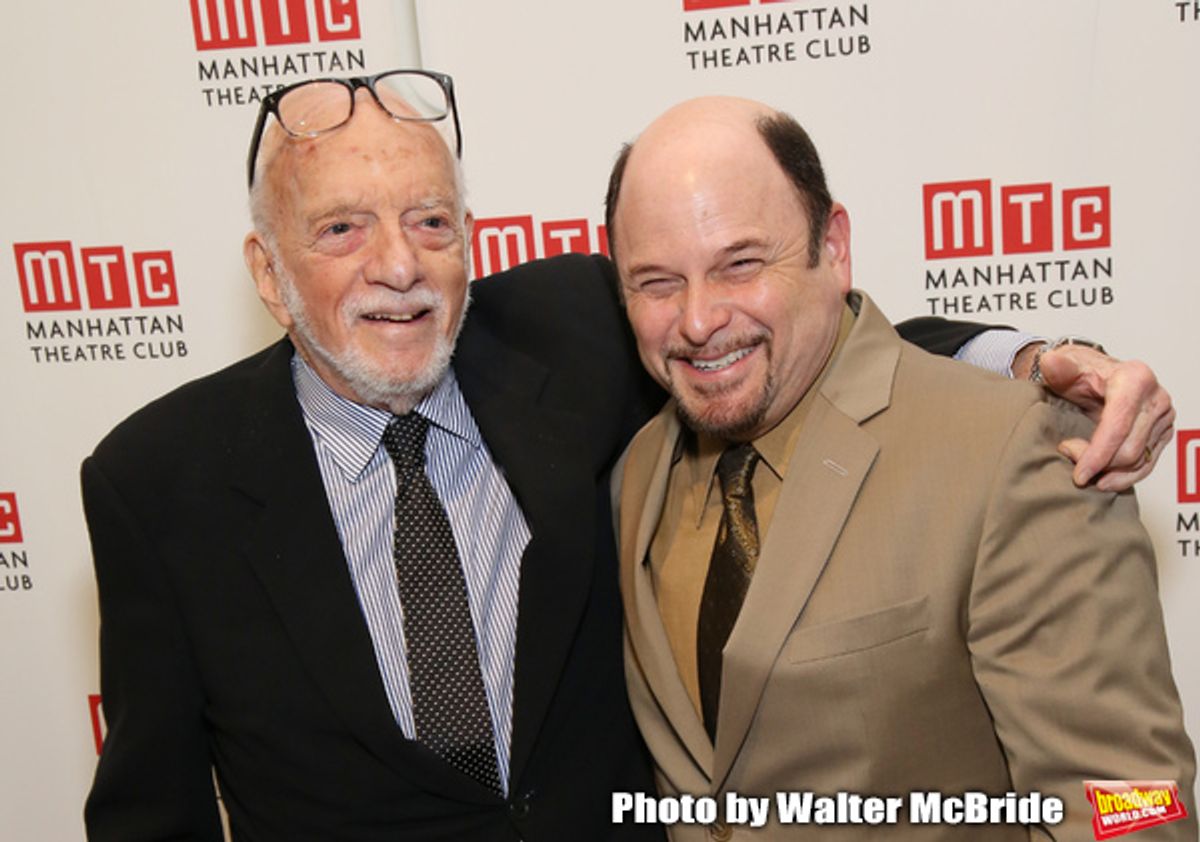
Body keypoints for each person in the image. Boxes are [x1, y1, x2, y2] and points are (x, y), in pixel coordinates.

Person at [80, 70, 1174, 841]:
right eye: (339, 230)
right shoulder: (156, 485)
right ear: (267, 273)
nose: (398, 267)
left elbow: (807, 334)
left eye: (431, 221)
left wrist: (1028, 357)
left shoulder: (560, 338)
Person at [606, 96, 1195, 840]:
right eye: (657, 282)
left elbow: (1133, 808)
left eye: (741, 264)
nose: (697, 320)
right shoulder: (637, 470)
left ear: (834, 246)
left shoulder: (1015, 451)